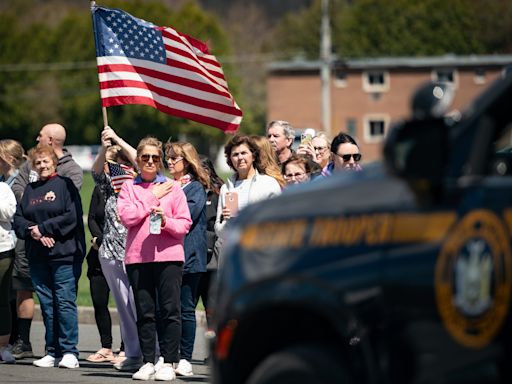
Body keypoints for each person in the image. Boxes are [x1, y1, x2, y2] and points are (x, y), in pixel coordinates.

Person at [118, 137, 192, 381]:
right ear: (138, 160)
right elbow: (127, 217)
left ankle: (169, 361)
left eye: (155, 157)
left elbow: (184, 224)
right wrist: (151, 198)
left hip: (169, 257)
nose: (150, 161)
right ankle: (149, 360)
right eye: (145, 157)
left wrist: (165, 221)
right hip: (138, 258)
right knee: (145, 311)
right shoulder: (129, 187)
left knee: (170, 309)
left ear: (160, 160)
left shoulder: (173, 187)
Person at [10, 124, 83, 360]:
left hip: (63, 254)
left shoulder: (65, 185)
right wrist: (33, 231)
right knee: (48, 305)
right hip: (37, 254)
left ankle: (69, 351)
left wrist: (44, 228)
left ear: (54, 162)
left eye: (46, 162)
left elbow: (70, 217)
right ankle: (52, 351)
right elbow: (19, 219)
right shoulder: (30, 190)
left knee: (64, 302)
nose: (42, 166)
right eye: (38, 163)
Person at [91, 127, 142, 371]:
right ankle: (132, 352)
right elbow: (95, 171)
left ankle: (150, 351)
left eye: (120, 162)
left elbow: (140, 161)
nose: (116, 167)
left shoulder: (142, 183)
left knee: (139, 305)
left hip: (137, 253)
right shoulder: (109, 187)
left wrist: (119, 140)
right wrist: (104, 147)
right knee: (123, 307)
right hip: (111, 253)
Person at [165, 141, 209, 377]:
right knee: (168, 308)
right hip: (166, 255)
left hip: (189, 256)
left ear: (187, 161)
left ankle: (185, 358)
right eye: (168, 158)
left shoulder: (195, 188)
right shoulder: (167, 185)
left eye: (174, 158)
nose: (169, 162)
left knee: (185, 309)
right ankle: (168, 355)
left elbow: (185, 217)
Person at [215, 135, 281, 238]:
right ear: (230, 159)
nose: (240, 157)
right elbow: (219, 231)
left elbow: (279, 218)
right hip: (235, 248)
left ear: (253, 156)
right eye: (235, 154)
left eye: (244, 153)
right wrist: (227, 222)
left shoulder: (269, 183)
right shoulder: (226, 188)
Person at [85, 184, 115, 363]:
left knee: (126, 304)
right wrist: (100, 239)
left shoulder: (131, 187)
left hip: (122, 254)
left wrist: (108, 241)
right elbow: (92, 218)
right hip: (98, 253)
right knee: (99, 301)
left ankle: (128, 348)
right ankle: (106, 346)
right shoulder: (100, 189)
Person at [0, 139, 26, 352]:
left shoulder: (17, 183)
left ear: (7, 159)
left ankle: (16, 338)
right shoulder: (4, 179)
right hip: (9, 240)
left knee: (13, 292)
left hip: (16, 242)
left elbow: (15, 213)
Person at [197, 155, 223, 325]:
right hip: (192, 253)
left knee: (212, 304)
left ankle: (214, 345)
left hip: (212, 254)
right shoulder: (189, 190)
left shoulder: (219, 192)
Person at [0, 182, 17, 363]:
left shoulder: (3, 188)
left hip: (2, 250)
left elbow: (8, 214)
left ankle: (3, 346)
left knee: (2, 299)